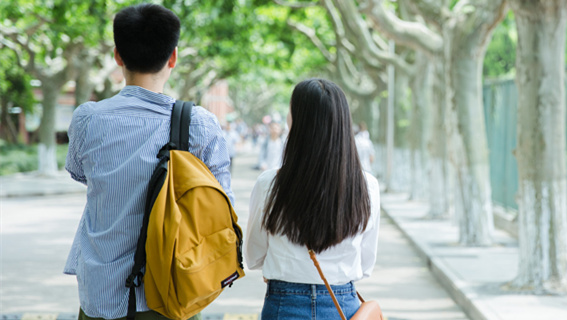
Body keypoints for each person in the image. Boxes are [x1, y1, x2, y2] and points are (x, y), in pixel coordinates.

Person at [64, 4, 233, 319]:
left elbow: (79, 172)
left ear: (118, 56)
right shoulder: (200, 124)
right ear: (173, 57)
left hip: (102, 296)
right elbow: (223, 204)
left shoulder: (88, 119)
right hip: (173, 292)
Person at [245, 78, 380, 320]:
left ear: (297, 121)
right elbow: (366, 264)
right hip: (343, 307)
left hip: (283, 305)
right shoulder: (367, 186)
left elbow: (254, 256)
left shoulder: (269, 183)